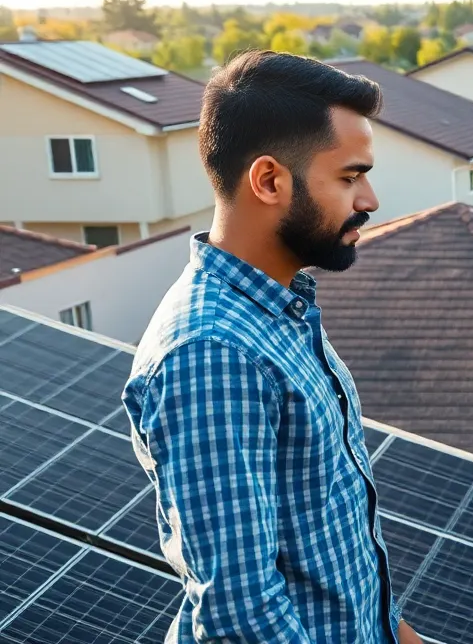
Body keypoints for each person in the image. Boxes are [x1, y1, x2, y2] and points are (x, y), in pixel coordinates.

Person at [122, 51, 422, 644]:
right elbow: (242, 614)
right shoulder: (212, 352)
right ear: (268, 180)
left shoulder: (279, 309)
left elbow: (336, 556)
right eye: (349, 176)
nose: (370, 199)